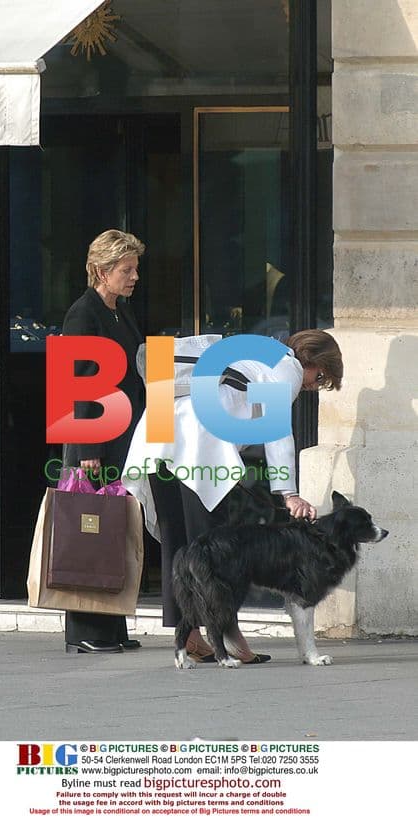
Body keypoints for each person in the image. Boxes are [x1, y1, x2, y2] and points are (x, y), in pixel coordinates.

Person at [122, 329, 343, 663]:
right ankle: (228, 635)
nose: (314, 385)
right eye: (321, 376)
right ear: (312, 360)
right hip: (197, 441)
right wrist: (289, 493)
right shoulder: (288, 368)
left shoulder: (259, 353)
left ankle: (192, 635)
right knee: (216, 546)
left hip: (160, 428)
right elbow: (277, 430)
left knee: (179, 542)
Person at [61, 229, 146, 654]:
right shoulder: (83, 314)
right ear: (101, 270)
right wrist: (88, 450)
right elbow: (76, 384)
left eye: (134, 269)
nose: (133, 277)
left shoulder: (121, 312)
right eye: (126, 270)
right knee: (87, 531)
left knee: (112, 531)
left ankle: (111, 627)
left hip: (122, 438)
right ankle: (85, 630)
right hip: (92, 442)